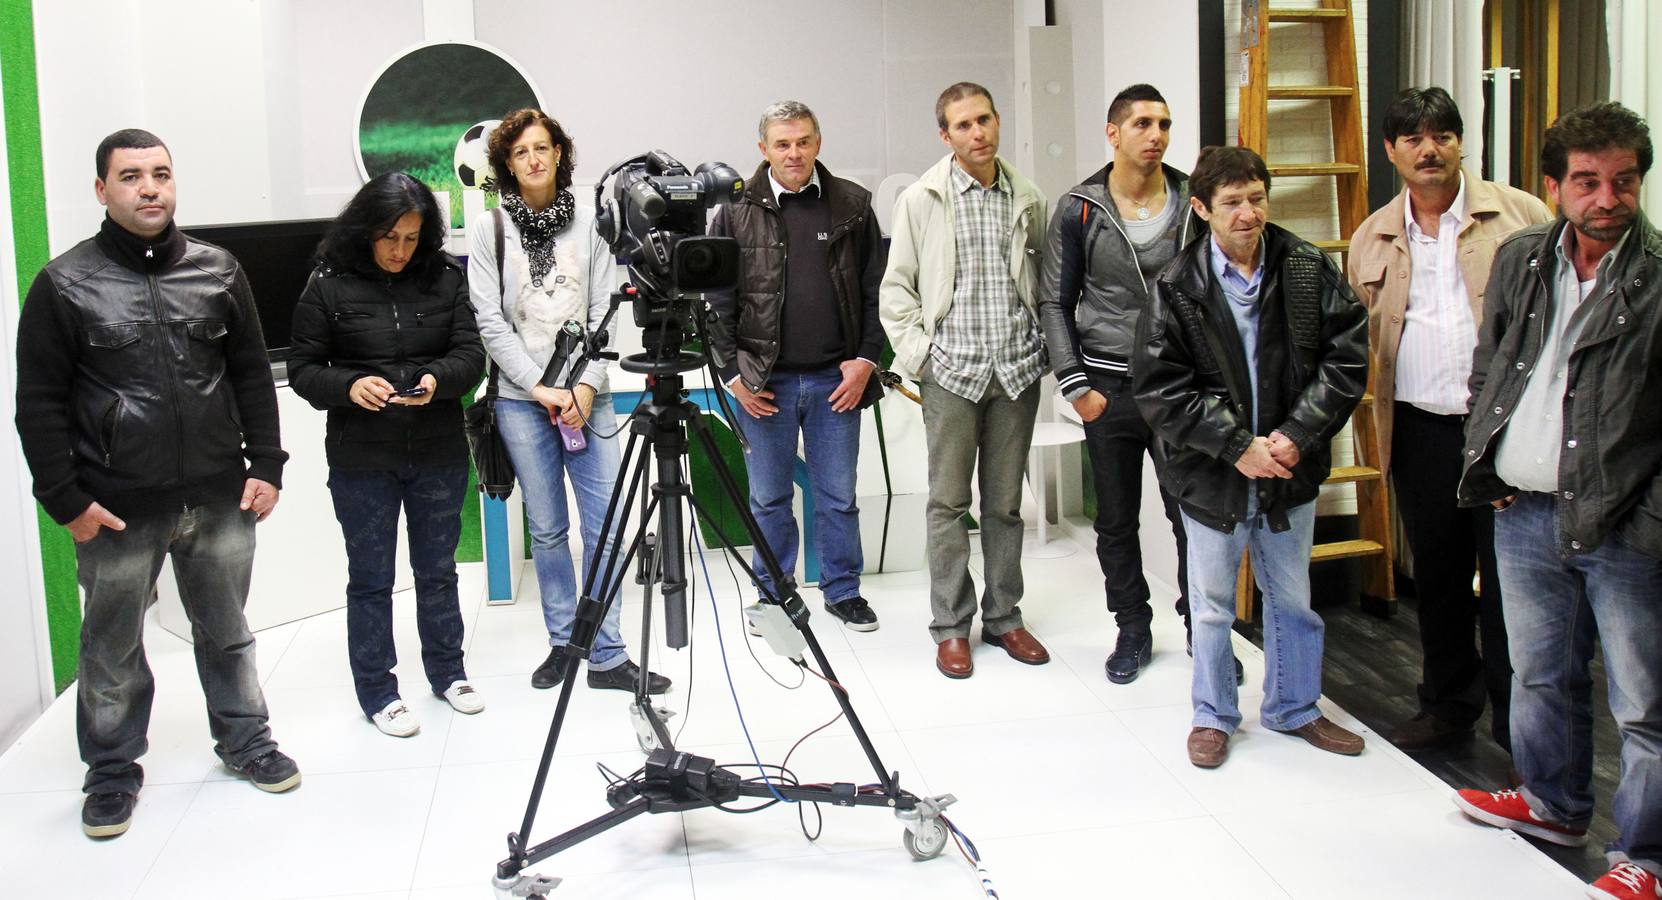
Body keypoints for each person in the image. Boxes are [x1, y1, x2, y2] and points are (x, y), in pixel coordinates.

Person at [14, 129, 300, 838]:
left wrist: (265, 464)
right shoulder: (64, 284)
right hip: (114, 505)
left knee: (228, 633)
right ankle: (111, 772)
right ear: (101, 190)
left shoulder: (218, 270)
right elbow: (39, 403)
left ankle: (246, 742)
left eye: (161, 174)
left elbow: (248, 374)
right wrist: (65, 499)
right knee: (110, 648)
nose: (150, 187)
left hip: (217, 495)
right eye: (132, 175)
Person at [1451, 102, 1662, 900]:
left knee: (1643, 705)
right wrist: (1491, 461)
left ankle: (1647, 855)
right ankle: (1553, 806)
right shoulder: (1520, 260)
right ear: (1554, 186)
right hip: (1526, 512)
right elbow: (1493, 364)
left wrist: (1649, 523)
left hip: (1624, 524)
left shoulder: (1657, 279)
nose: (1606, 198)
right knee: (1540, 674)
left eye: (1624, 181)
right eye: (1587, 182)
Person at [1134, 146, 1369, 769]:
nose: (1247, 214)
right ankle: (1212, 715)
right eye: (1232, 202)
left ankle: (1296, 708)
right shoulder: (1177, 285)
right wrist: (1237, 446)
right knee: (1211, 605)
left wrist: (1298, 433)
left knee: (1292, 597)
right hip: (1212, 474)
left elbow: (1346, 359)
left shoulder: (1306, 267)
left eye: (1257, 198)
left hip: (1290, 467)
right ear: (1203, 208)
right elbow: (1160, 389)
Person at [1346, 87, 1550, 754]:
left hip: (1504, 433)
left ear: (1462, 142)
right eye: (1413, 138)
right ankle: (1447, 706)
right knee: (1437, 577)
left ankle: (1520, 726)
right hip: (1419, 429)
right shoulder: (1372, 235)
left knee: (1512, 583)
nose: (1428, 149)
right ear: (1391, 151)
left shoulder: (1521, 217)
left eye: (1441, 135)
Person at [1037, 82, 1241, 686]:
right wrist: (1078, 386)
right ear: (1114, 133)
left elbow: (1221, 286)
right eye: (1143, 124)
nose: (1156, 136)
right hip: (1109, 386)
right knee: (1116, 520)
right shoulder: (1081, 206)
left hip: (1179, 389)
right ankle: (1132, 627)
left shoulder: (1190, 199)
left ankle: (1204, 630)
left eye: (1165, 125)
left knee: (1194, 517)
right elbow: (1053, 299)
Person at [467, 108, 669, 694]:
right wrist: (540, 387)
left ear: (559, 154)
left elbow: (606, 308)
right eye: (520, 152)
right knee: (549, 529)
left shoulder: (592, 223)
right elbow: (490, 320)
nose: (533, 159)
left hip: (588, 397)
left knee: (605, 525)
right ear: (508, 164)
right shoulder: (491, 229)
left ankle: (607, 655)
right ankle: (564, 643)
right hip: (521, 399)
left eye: (542, 148)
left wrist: (583, 385)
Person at [288, 172, 488, 738]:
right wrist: (349, 387)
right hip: (362, 458)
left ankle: (449, 673)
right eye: (388, 237)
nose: (401, 251)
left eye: (411, 238)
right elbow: (305, 370)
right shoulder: (327, 283)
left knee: (438, 570)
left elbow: (470, 356)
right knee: (372, 579)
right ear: (364, 230)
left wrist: (436, 379)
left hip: (438, 449)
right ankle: (378, 690)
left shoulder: (446, 278)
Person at [880, 82, 1051, 679]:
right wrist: (923, 358)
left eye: (984, 119)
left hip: (1015, 370)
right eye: (962, 125)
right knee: (948, 504)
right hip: (951, 374)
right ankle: (951, 627)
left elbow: (1045, 284)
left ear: (997, 122)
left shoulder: (1027, 196)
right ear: (945, 135)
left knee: (1004, 505)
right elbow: (897, 289)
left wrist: (1042, 348)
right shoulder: (921, 198)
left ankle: (1005, 618)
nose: (977, 133)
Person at [708, 100, 887, 632]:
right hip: (766, 382)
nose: (794, 153)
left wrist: (866, 361)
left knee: (838, 496)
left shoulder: (851, 204)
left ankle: (843, 591)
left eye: (803, 141)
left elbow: (876, 291)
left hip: (839, 379)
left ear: (818, 142)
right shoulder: (735, 211)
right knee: (768, 498)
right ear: (763, 150)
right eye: (782, 144)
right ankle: (773, 593)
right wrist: (733, 375)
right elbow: (716, 300)